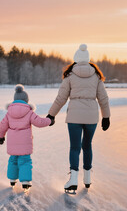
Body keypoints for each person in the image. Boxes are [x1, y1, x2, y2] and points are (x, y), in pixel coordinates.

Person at [47, 44, 110, 194]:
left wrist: (51, 115)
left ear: (75, 59)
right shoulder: (96, 76)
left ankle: (73, 179)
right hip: (91, 117)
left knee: (75, 147)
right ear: (88, 59)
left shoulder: (70, 76)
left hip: (74, 117)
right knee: (87, 145)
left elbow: (60, 98)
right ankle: (87, 179)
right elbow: (103, 98)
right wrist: (106, 117)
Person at [0, 84, 53, 191]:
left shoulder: (9, 112)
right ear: (26, 100)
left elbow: (2, 125)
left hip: (12, 143)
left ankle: (12, 180)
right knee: (25, 161)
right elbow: (40, 122)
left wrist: (0, 137)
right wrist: (50, 121)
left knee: (13, 160)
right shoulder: (29, 111)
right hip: (25, 143)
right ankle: (25, 181)